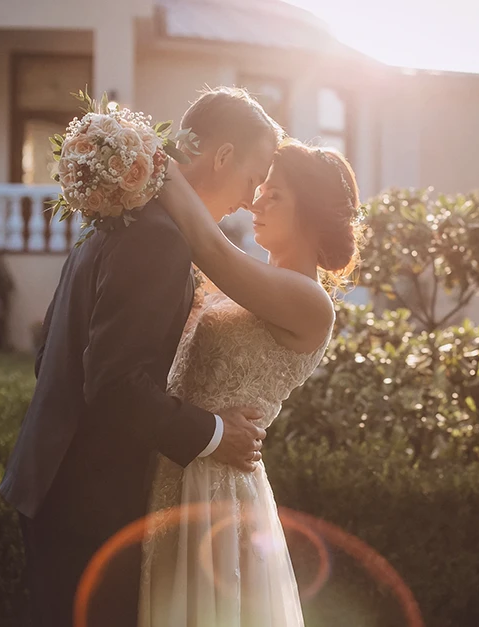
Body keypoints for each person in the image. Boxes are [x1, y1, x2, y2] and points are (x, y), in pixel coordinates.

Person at [0, 86, 282, 627]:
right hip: (88, 501)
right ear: (222, 156)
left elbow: (48, 351)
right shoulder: (158, 239)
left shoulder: (118, 217)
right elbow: (113, 387)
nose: (250, 198)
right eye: (253, 177)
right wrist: (217, 434)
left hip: (51, 480)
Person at [139, 138, 362, 626]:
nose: (256, 201)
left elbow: (208, 245)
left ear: (310, 212)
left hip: (214, 486)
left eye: (274, 194)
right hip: (172, 462)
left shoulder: (310, 303)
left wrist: (147, 157)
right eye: (260, 188)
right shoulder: (242, 281)